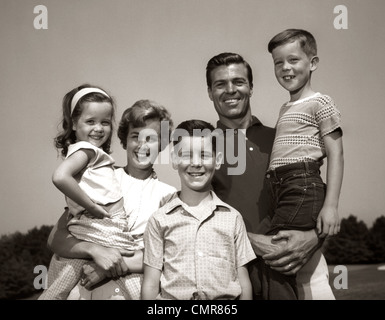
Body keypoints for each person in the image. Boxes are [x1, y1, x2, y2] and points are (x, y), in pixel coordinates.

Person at [206, 52, 331, 300]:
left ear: (251, 87)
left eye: (239, 82)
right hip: (237, 277)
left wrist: (311, 237)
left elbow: (317, 197)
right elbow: (198, 215)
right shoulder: (202, 148)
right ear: (209, 92)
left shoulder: (284, 136)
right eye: (220, 84)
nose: (230, 90)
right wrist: (256, 242)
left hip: (305, 267)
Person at [43, 99, 176, 300]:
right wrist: (94, 250)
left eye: (151, 138)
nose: (142, 145)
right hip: (85, 289)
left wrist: (107, 266)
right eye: (135, 136)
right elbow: (56, 238)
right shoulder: (102, 178)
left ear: (163, 144)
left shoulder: (168, 195)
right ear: (124, 139)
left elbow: (166, 256)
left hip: (132, 289)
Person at [260, 28, 343, 299]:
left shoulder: (320, 102)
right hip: (280, 186)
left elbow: (336, 154)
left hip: (302, 183)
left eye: (293, 60)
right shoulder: (285, 108)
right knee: (274, 248)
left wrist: (330, 206)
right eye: (278, 62)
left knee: (278, 250)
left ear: (313, 63)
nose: (285, 67)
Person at [40, 84, 142, 299]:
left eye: (105, 122)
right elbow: (59, 177)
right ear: (74, 124)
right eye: (90, 121)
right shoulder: (86, 151)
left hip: (99, 228)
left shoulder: (90, 155)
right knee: (136, 286)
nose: (99, 128)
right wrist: (91, 206)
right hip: (101, 228)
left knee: (62, 282)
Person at [141, 120, 256, 300]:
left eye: (204, 155)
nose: (196, 163)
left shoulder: (233, 219)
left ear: (217, 160)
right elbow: (150, 283)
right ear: (174, 159)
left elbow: (244, 283)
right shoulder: (159, 219)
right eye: (186, 155)